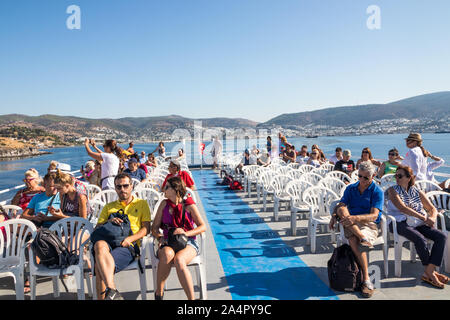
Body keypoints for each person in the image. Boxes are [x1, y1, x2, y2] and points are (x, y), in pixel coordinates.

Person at [386, 165, 448, 288]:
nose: (397, 178)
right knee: (420, 239)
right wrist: (424, 218)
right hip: (398, 222)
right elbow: (403, 208)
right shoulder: (392, 190)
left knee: (441, 237)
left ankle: (429, 272)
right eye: (396, 176)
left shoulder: (416, 191)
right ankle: (432, 274)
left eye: (400, 176)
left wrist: (432, 218)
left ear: (409, 178)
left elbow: (432, 208)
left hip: (416, 222)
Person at [329, 161, 384, 298]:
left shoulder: (377, 191)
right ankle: (366, 279)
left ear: (374, 176)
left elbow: (374, 215)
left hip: (367, 224)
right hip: (350, 222)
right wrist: (334, 215)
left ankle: (365, 278)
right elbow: (341, 206)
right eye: (359, 176)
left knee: (354, 240)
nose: (361, 180)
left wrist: (356, 219)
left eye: (366, 177)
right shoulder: (351, 188)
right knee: (342, 208)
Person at [93, 173, 151, 300]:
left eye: (125, 186)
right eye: (119, 187)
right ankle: (112, 289)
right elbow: (97, 228)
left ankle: (108, 294)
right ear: (115, 188)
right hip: (109, 242)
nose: (122, 189)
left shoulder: (141, 204)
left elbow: (146, 228)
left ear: (131, 186)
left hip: (129, 245)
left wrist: (130, 239)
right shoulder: (109, 206)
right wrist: (109, 222)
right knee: (99, 244)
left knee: (99, 266)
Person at [151, 176, 206, 300]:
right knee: (166, 254)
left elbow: (202, 227)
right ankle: (159, 293)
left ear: (176, 189)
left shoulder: (189, 206)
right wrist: (159, 237)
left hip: (188, 242)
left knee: (179, 260)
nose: (164, 189)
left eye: (167, 187)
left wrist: (186, 233)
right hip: (167, 241)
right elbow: (154, 227)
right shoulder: (163, 204)